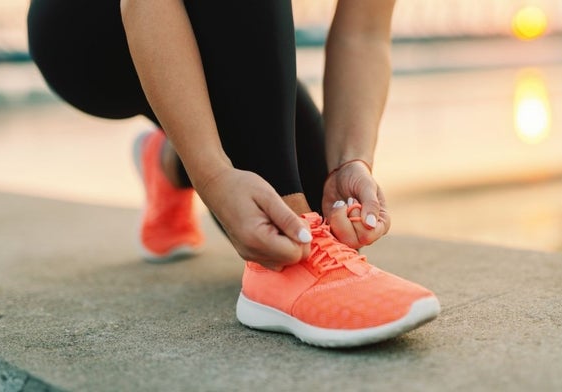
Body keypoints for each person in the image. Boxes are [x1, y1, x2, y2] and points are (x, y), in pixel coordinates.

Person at [27, 0, 440, 347]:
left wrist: (350, 162)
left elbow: (363, 33)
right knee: (286, 223)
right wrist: (211, 175)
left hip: (223, 34)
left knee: (311, 195)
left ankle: (167, 163)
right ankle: (286, 263)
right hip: (88, 34)